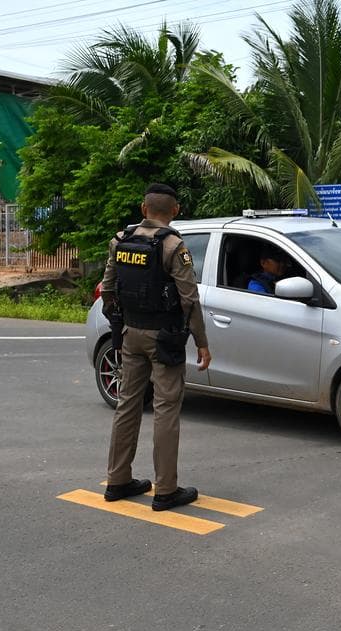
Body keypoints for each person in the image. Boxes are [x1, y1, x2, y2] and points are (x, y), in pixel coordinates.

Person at [101, 183, 211, 511]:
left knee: (127, 405)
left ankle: (117, 480)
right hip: (164, 337)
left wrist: (120, 324)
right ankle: (166, 489)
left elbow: (108, 289)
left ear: (143, 208)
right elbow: (189, 299)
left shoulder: (120, 241)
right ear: (174, 211)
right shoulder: (173, 246)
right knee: (165, 409)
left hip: (130, 334)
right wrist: (202, 342)